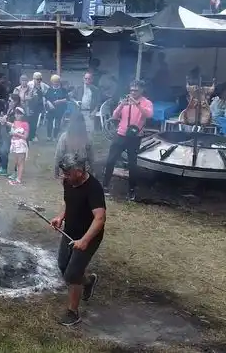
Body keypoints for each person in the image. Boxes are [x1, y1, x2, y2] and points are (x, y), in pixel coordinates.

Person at [50, 153, 105, 327]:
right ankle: (88, 281)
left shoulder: (93, 188)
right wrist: (60, 217)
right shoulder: (69, 181)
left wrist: (85, 241)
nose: (64, 177)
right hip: (70, 232)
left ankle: (73, 313)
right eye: (64, 173)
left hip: (89, 235)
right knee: (62, 266)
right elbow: (69, 202)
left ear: (80, 171)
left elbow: (100, 218)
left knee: (72, 274)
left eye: (68, 173)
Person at [102, 80, 153, 201]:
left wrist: (137, 104)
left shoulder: (147, 102)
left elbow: (149, 115)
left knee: (132, 164)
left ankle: (131, 190)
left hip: (135, 137)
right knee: (110, 160)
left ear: (142, 90)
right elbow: (114, 116)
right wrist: (121, 105)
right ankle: (105, 186)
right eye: (131, 90)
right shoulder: (125, 101)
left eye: (136, 90)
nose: (133, 92)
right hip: (120, 134)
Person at [55, 108, 95, 179]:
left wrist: (56, 170)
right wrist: (92, 171)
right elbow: (91, 157)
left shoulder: (64, 137)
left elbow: (58, 155)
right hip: (80, 171)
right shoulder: (87, 138)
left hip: (68, 171)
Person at [7, 106, 30, 185]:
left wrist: (15, 133)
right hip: (14, 144)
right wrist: (4, 121)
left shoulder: (25, 124)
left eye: (19, 114)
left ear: (23, 115)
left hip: (21, 144)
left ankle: (18, 179)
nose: (17, 115)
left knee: (20, 162)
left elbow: (25, 137)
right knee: (16, 161)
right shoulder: (15, 122)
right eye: (16, 114)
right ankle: (16, 176)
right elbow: (12, 125)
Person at [44, 75, 69, 141]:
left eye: (57, 82)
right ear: (52, 82)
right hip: (50, 109)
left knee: (57, 124)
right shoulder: (49, 89)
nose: (55, 83)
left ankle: (55, 137)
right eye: (54, 82)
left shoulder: (63, 90)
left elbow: (67, 99)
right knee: (49, 123)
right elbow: (46, 98)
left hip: (59, 109)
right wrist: (49, 103)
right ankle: (48, 137)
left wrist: (59, 101)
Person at [27, 72, 49, 141]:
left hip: (38, 106)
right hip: (30, 105)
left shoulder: (43, 85)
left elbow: (48, 90)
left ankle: (33, 135)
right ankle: (28, 135)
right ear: (33, 79)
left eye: (40, 79)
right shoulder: (29, 84)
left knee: (35, 122)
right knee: (29, 121)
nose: (39, 81)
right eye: (37, 79)